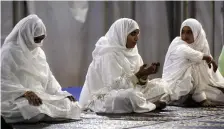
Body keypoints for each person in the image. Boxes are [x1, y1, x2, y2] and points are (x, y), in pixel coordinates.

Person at [1, 14, 81, 123]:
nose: (39, 44)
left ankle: (46, 113)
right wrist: (24, 92)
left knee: (71, 104)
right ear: (27, 35)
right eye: (36, 39)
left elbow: (49, 79)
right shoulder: (8, 52)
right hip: (16, 98)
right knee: (32, 109)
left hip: (40, 97)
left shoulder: (39, 53)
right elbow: (3, 81)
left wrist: (61, 94)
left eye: (41, 39)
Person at [79, 18, 169, 113]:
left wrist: (145, 75)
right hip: (102, 97)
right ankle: (149, 104)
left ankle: (141, 104)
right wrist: (137, 75)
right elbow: (113, 86)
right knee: (129, 96)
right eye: (132, 34)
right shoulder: (108, 54)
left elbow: (140, 85)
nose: (137, 38)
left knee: (163, 86)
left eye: (137, 34)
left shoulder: (134, 53)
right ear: (121, 34)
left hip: (131, 91)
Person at [162, 18, 224, 107]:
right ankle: (192, 98)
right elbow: (186, 52)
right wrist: (207, 58)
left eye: (189, 32)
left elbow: (206, 71)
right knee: (191, 68)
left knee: (218, 96)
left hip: (199, 84)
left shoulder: (202, 42)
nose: (185, 35)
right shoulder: (177, 43)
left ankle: (197, 96)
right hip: (176, 83)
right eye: (183, 32)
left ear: (196, 32)